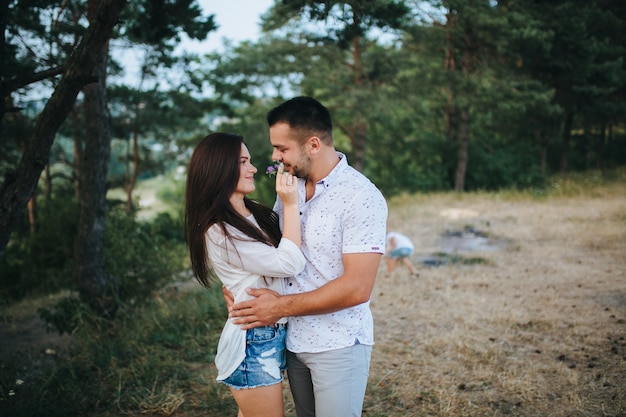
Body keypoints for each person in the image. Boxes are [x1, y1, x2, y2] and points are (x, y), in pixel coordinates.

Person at [226, 96, 388, 417]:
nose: (274, 156)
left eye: (282, 149)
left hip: (337, 343)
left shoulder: (361, 197)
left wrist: (277, 307)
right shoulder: (290, 188)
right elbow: (275, 250)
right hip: (294, 340)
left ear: (313, 144)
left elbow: (357, 288)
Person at [184, 132, 305, 417]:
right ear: (219, 168)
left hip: (272, 332)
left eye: (249, 161)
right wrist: (290, 203)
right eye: (243, 162)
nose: (252, 168)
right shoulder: (219, 230)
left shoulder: (255, 214)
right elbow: (289, 263)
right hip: (252, 340)